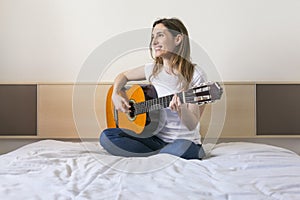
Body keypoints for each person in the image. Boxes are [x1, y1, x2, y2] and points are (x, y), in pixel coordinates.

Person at [100, 18, 207, 159]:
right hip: (155, 140)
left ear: (178, 39)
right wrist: (115, 93)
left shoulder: (195, 75)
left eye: (160, 35)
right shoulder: (153, 70)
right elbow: (123, 76)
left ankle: (154, 156)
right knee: (107, 136)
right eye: (152, 37)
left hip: (185, 142)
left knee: (182, 148)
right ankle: (161, 155)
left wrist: (182, 109)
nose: (154, 42)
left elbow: (192, 124)